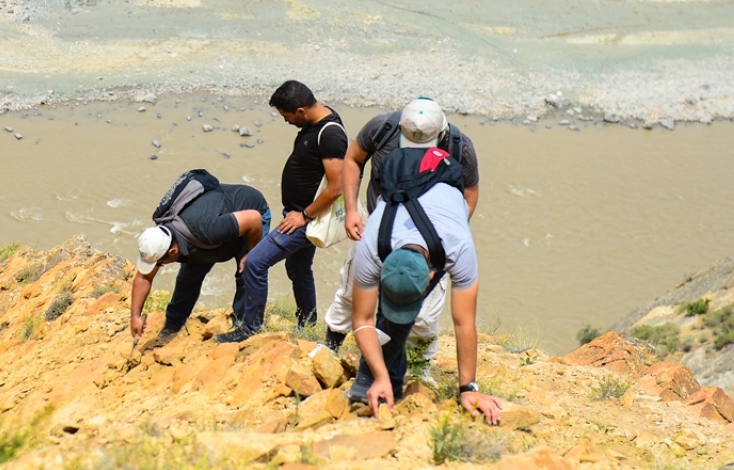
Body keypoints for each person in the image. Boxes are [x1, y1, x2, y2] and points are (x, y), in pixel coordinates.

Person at [347, 147, 501, 425]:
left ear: (432, 277)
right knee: (384, 317)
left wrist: (468, 389)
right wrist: (379, 375)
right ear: (381, 270)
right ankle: (378, 376)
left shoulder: (459, 245)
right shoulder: (370, 246)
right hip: (397, 218)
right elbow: (362, 317)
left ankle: (387, 377)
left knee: (402, 316)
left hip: (442, 207)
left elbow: (464, 321)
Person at [322, 97, 481, 363]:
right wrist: (352, 209)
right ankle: (331, 345)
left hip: (431, 244)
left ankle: (420, 365)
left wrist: (448, 236)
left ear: (441, 133)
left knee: (424, 313)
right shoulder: (383, 128)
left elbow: (470, 194)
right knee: (352, 293)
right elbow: (353, 159)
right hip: (379, 227)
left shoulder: (459, 146)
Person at [216, 80, 347, 343]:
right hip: (297, 215)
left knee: (254, 263)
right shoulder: (318, 119)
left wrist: (304, 215)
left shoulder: (330, 134)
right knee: (299, 269)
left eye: (286, 116)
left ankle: (249, 327)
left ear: (300, 111)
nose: (285, 121)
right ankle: (307, 324)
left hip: (305, 219)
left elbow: (338, 186)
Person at [129, 181, 270, 340]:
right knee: (188, 277)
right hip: (218, 227)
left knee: (248, 270)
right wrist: (135, 316)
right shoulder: (160, 239)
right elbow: (144, 277)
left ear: (173, 251)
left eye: (160, 263)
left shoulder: (208, 230)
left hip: (250, 216)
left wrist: (250, 254)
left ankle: (244, 327)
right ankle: (174, 323)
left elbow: (253, 219)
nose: (158, 267)